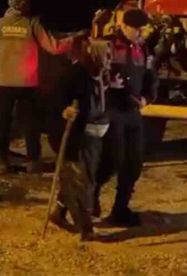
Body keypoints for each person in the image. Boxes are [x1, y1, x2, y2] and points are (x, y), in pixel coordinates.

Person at [0, 0, 77, 173]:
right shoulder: (32, 24)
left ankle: (1, 161)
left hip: (3, 82)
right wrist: (73, 39)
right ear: (26, 6)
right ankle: (33, 161)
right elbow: (54, 47)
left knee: (3, 122)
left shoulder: (0, 23)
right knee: (30, 123)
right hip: (27, 82)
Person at [94, 8, 157, 227]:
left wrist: (147, 97)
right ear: (125, 26)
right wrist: (107, 83)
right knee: (112, 160)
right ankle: (90, 195)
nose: (140, 33)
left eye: (142, 30)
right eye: (137, 29)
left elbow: (150, 76)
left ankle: (120, 210)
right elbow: (91, 72)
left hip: (132, 112)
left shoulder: (143, 49)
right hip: (111, 110)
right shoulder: (108, 45)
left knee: (133, 162)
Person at [48, 37, 112, 241]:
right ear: (95, 55)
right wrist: (64, 109)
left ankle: (59, 213)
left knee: (79, 179)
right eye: (106, 55)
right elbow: (56, 98)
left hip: (94, 136)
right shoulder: (75, 74)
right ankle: (86, 229)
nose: (110, 59)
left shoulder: (100, 75)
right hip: (78, 137)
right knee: (81, 182)